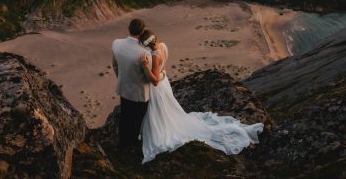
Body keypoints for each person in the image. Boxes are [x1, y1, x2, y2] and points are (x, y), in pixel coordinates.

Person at [138, 29, 264, 164]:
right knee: (166, 109)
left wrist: (146, 67)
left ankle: (160, 129)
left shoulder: (155, 55)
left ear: (147, 44)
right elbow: (163, 70)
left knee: (158, 110)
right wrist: (162, 73)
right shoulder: (163, 47)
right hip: (165, 84)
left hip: (159, 88)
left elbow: (155, 81)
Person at [111, 18, 152, 152]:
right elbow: (148, 78)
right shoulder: (145, 53)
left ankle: (123, 143)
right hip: (140, 93)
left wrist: (121, 78)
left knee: (125, 117)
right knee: (136, 120)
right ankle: (132, 144)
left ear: (129, 28)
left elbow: (115, 65)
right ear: (142, 32)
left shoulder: (116, 43)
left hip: (124, 88)